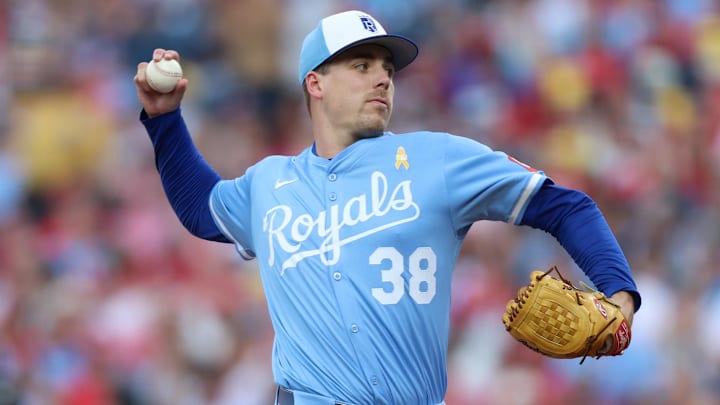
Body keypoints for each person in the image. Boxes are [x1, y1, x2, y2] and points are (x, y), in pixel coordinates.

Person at [134, 9, 641, 405]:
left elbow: (564, 207)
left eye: (386, 68)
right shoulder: (270, 183)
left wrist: (620, 294)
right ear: (316, 83)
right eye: (361, 66)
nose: (381, 78)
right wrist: (164, 122)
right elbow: (203, 209)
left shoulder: (438, 158)